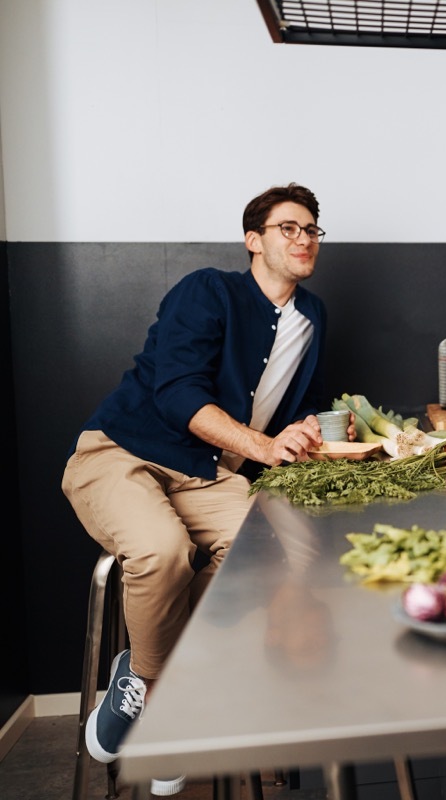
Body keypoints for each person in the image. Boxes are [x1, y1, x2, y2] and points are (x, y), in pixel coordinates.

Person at [62, 182, 347, 788]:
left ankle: (148, 669)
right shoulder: (208, 291)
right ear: (254, 241)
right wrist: (265, 447)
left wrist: (302, 431)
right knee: (163, 553)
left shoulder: (313, 317)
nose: (303, 239)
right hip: (122, 451)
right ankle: (154, 695)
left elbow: (300, 401)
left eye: (312, 229)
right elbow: (178, 393)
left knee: (281, 550)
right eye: (287, 228)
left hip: (207, 474)